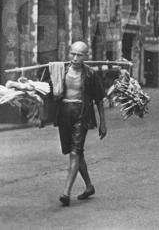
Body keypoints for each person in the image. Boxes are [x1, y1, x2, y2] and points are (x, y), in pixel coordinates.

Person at [54, 41, 107, 206]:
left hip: (82, 114)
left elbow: (99, 100)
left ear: (86, 56)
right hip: (64, 113)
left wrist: (102, 123)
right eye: (73, 54)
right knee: (76, 152)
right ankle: (89, 186)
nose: (75, 58)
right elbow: (50, 91)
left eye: (79, 55)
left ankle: (66, 193)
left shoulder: (90, 74)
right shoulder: (60, 70)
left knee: (75, 153)